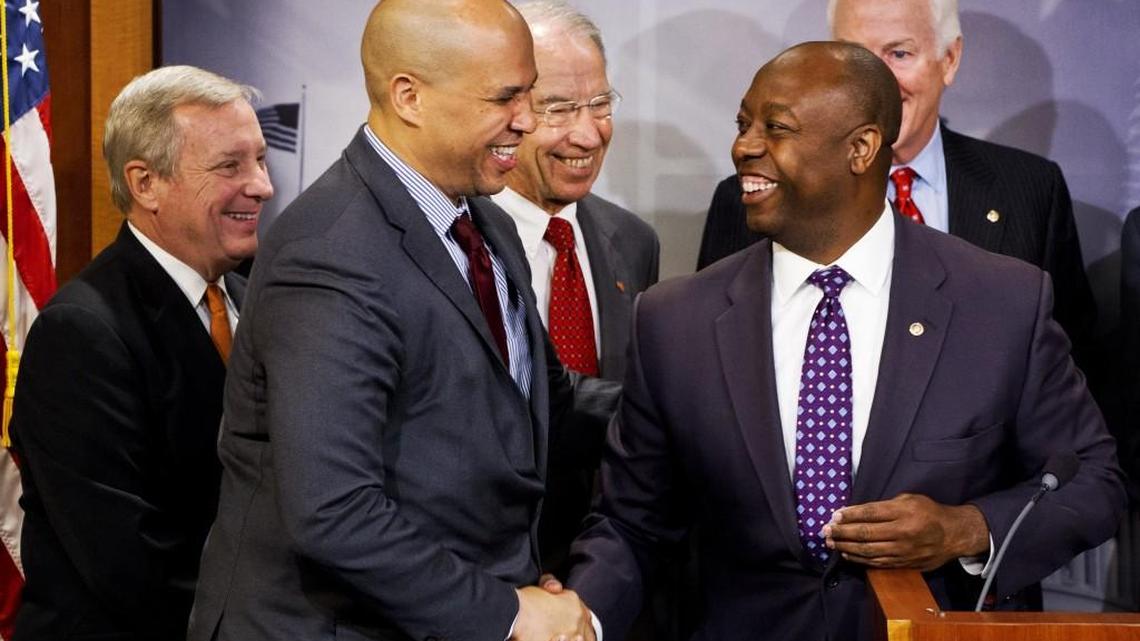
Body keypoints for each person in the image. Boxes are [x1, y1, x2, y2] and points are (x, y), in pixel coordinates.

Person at [564, 41, 1124, 641]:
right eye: (743, 124)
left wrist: (964, 529)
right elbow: (632, 522)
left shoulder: (1000, 301)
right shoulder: (676, 320)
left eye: (774, 128)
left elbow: (1093, 482)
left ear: (861, 148)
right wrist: (579, 618)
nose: (744, 147)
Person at [187, 2, 609, 640]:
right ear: (409, 95)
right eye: (505, 97)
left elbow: (539, 398)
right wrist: (509, 612)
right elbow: (335, 512)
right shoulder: (330, 251)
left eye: (529, 94)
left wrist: (689, 409)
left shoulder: (479, 218)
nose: (526, 121)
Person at [9, 65, 272, 640]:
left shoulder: (260, 300)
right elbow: (127, 560)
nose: (261, 185)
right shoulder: (82, 333)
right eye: (231, 165)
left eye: (260, 159)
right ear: (146, 182)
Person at [695, 0, 1097, 372]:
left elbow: (1069, 370)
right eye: (853, 57)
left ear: (950, 59)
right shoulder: (748, 198)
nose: (877, 81)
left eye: (899, 53)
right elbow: (715, 368)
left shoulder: (1029, 191)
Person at [489, 0, 660, 577]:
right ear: (507, 111)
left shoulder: (631, 240)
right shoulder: (456, 241)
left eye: (601, 103)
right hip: (486, 575)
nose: (587, 133)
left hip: (605, 567)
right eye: (558, 108)